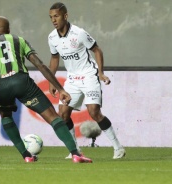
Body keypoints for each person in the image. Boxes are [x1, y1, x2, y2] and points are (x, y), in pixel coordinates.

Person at [0, 16, 92, 163]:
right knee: (52, 116)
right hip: (22, 82)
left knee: (6, 117)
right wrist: (60, 88)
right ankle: (75, 154)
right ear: (9, 30)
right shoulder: (19, 40)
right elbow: (40, 64)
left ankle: (26, 156)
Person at [48, 2, 126, 159]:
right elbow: (55, 59)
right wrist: (51, 81)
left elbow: (97, 50)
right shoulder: (52, 37)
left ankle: (118, 148)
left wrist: (101, 73)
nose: (54, 20)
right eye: (51, 17)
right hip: (72, 79)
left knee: (94, 112)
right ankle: (75, 150)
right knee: (63, 114)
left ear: (65, 16)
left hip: (89, 75)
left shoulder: (79, 33)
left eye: (56, 16)